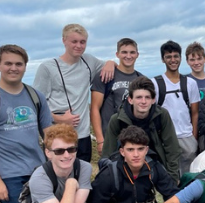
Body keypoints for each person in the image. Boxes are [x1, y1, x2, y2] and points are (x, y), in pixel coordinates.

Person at [0, 45, 53, 203]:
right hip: (8, 172)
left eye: (18, 64)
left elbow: (49, 133)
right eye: (8, 63)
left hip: (37, 169)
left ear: (25, 66)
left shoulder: (34, 95)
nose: (13, 68)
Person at [33, 23, 116, 162]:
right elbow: (35, 104)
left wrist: (110, 63)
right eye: (74, 41)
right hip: (57, 136)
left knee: (81, 177)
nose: (79, 46)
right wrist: (58, 118)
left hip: (82, 136)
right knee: (58, 180)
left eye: (82, 42)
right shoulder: (47, 68)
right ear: (64, 41)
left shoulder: (89, 61)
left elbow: (113, 67)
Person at [102, 77, 181, 184]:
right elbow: (108, 153)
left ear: (153, 100)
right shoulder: (117, 119)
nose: (143, 102)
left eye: (147, 97)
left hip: (156, 163)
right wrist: (109, 179)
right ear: (130, 99)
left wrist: (172, 176)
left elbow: (172, 148)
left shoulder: (162, 115)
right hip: (127, 165)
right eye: (139, 97)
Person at [153, 40, 200, 175]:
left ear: (180, 58)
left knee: (188, 177)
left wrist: (194, 137)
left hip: (187, 136)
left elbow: (195, 113)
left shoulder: (190, 83)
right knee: (169, 176)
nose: (173, 60)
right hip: (165, 137)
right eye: (168, 57)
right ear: (163, 59)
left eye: (175, 56)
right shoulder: (155, 84)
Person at [90, 38, 142, 155]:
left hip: (134, 140)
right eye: (124, 52)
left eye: (132, 52)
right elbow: (94, 108)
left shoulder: (141, 79)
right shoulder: (105, 76)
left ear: (137, 55)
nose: (128, 56)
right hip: (110, 138)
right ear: (117, 54)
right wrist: (100, 140)